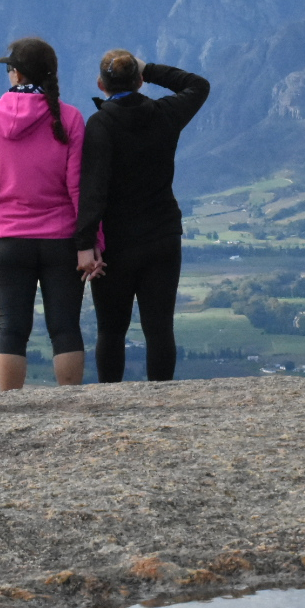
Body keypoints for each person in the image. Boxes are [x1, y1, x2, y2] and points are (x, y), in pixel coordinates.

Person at [75, 50, 210, 381]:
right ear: (139, 81)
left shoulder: (100, 124)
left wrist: (85, 242)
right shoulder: (165, 113)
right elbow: (198, 85)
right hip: (163, 235)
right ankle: (161, 400)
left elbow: (94, 190)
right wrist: (148, 68)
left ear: (100, 84)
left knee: (111, 330)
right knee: (160, 328)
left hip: (116, 243)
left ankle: (110, 402)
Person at [0, 38, 87, 390]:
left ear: (15, 73)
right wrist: (89, 241)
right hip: (62, 239)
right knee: (65, 327)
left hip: (5, 239)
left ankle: (11, 412)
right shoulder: (70, 118)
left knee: (11, 329)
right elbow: (78, 187)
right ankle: (71, 406)